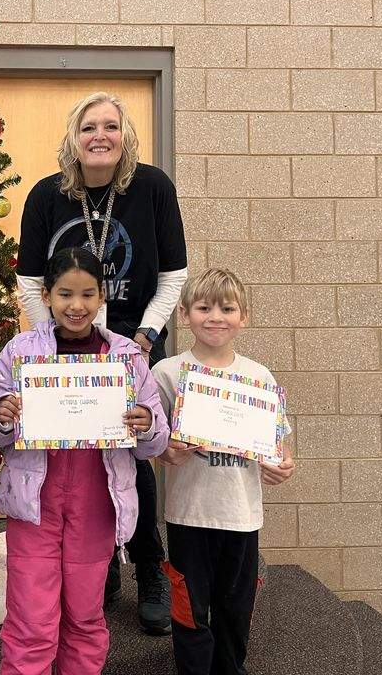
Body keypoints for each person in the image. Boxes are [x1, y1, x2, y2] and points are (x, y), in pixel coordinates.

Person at [16, 91, 188, 634]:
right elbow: (28, 282)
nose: (99, 136)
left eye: (110, 126)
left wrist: (141, 337)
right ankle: (103, 562)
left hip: (131, 344)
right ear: (73, 136)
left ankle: (148, 567)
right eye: (89, 127)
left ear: (124, 134)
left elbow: (173, 275)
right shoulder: (47, 195)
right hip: (64, 346)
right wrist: (48, 341)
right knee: (80, 458)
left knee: (133, 454)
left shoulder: (153, 187)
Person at [0, 247, 169, 675]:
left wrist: (146, 423)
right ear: (46, 295)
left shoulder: (127, 357)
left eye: (87, 294)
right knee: (31, 618)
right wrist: (2, 414)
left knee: (84, 616)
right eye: (65, 294)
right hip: (34, 506)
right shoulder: (21, 350)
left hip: (97, 506)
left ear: (102, 296)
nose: (76, 306)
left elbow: (155, 444)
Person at [153, 268, 295, 675]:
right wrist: (164, 450)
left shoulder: (258, 376)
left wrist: (283, 464)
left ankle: (231, 668)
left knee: (236, 606)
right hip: (188, 513)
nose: (215, 316)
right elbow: (150, 439)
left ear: (243, 316)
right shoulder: (168, 373)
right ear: (184, 313)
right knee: (189, 606)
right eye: (204, 307)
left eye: (227, 308)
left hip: (241, 514)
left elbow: (280, 442)